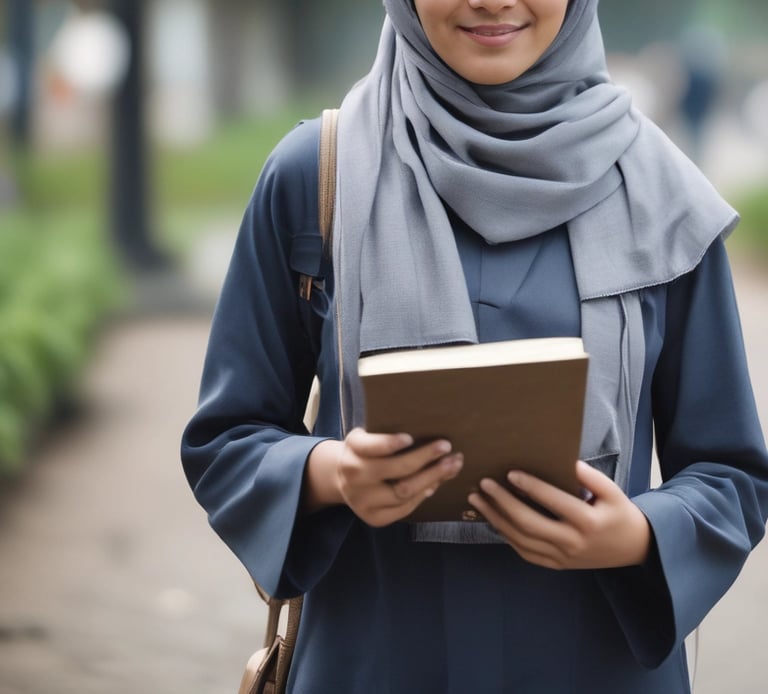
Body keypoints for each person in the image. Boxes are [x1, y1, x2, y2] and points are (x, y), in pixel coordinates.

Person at [181, 1, 768, 691]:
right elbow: (226, 437)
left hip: (593, 665)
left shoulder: (658, 192)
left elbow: (731, 475)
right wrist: (333, 472)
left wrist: (638, 537)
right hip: (375, 659)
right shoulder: (314, 177)